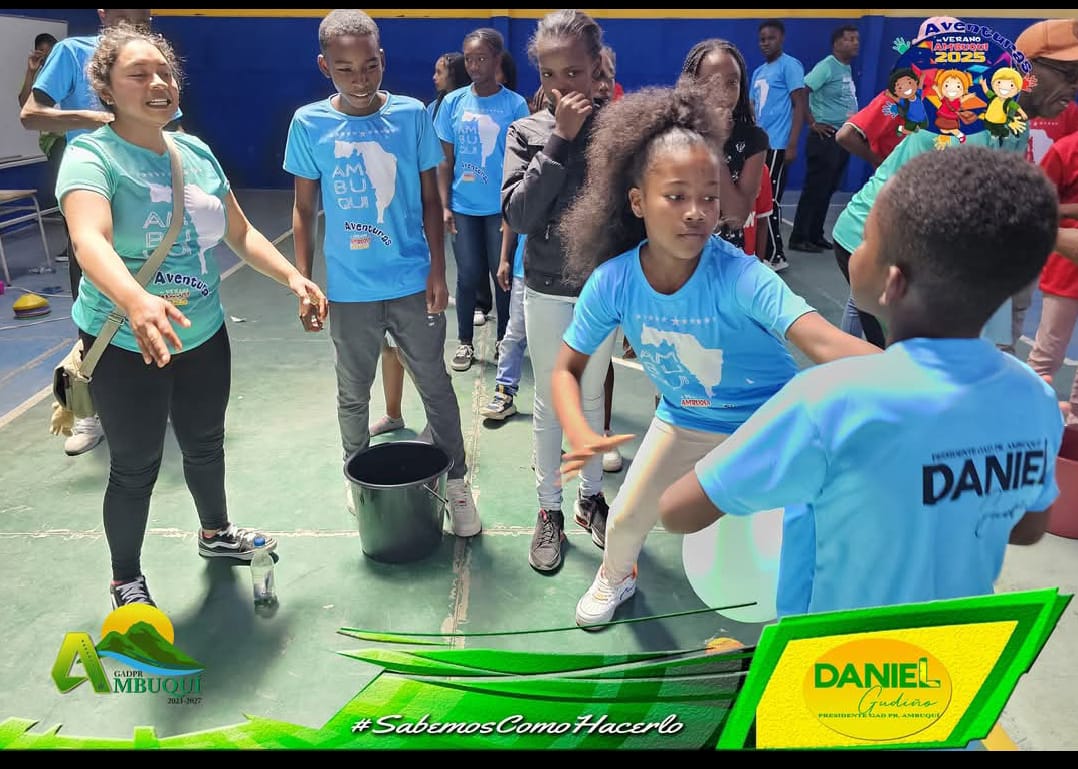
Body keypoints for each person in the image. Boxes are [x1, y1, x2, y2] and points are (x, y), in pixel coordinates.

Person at [660, 146, 1062, 618]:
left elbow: (679, 510)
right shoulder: (1035, 397)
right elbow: (1028, 527)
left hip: (837, 655)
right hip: (956, 651)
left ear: (893, 282)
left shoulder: (830, 400)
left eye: (866, 237)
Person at [551, 82, 880, 628]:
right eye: (676, 196)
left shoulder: (742, 275)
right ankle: (617, 575)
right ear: (638, 202)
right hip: (685, 419)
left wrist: (914, 375)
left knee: (810, 530)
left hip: (772, 424)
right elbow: (567, 367)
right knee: (626, 516)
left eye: (708, 197)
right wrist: (579, 432)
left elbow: (822, 341)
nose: (696, 212)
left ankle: (814, 606)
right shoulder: (613, 282)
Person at [57, 23, 327, 608]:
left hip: (201, 330)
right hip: (128, 341)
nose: (157, 83)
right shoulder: (91, 156)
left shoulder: (195, 154)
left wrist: (293, 277)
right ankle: (125, 578)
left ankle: (215, 533)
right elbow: (88, 239)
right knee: (135, 466)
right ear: (106, 88)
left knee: (205, 442)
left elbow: (240, 232)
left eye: (165, 73)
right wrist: (136, 301)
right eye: (138, 74)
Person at [284, 9, 480, 534]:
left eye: (370, 65)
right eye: (345, 69)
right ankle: (357, 477)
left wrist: (437, 271)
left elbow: (431, 200)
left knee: (435, 385)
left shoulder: (412, 115)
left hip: (411, 280)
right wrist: (304, 280)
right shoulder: (309, 123)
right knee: (353, 391)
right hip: (350, 290)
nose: (360, 79)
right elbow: (303, 208)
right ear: (325, 67)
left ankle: (457, 483)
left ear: (383, 59)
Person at [830, 17, 1078, 352]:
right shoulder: (972, 121)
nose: (1074, 86)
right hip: (876, 242)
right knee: (909, 357)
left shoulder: (1014, 123)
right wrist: (1052, 237)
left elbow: (1003, 203)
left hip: (921, 246)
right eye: (1068, 73)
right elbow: (971, 218)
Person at [21, 9, 178, 459]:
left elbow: (170, 127)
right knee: (95, 307)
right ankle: (88, 408)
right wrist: (93, 117)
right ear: (104, 12)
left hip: (150, 200)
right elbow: (31, 114)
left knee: (157, 298)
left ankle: (157, 394)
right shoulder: (73, 52)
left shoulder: (153, 59)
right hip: (98, 197)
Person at [502, 9, 616, 573]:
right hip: (547, 288)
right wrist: (560, 141)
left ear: (597, 69)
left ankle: (590, 498)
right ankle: (549, 509)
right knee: (551, 403)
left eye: (573, 72)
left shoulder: (619, 128)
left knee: (591, 398)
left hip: (603, 290)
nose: (560, 86)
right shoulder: (527, 133)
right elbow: (519, 215)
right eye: (549, 75)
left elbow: (632, 215)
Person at [436, 28, 529, 372]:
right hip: (463, 207)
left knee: (501, 276)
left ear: (496, 60)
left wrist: (512, 208)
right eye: (469, 59)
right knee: (468, 275)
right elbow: (444, 160)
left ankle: (505, 340)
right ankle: (464, 342)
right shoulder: (453, 103)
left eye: (482, 59)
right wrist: (445, 204)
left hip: (499, 209)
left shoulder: (515, 105)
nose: (474, 66)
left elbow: (521, 162)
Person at [789, 24, 860, 253]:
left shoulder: (845, 68)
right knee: (815, 188)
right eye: (850, 39)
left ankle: (815, 234)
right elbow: (802, 91)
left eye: (857, 39)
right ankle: (799, 237)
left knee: (828, 188)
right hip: (824, 137)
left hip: (840, 138)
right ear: (837, 43)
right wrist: (812, 122)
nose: (855, 43)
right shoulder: (827, 66)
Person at [1027, 129, 1078, 424]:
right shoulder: (1066, 150)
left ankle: (1075, 425)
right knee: (1048, 352)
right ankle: (1026, 415)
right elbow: (1036, 206)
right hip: (1065, 271)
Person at [750, 19, 808, 272]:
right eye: (762, 39)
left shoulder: (790, 66)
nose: (765, 43)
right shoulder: (758, 72)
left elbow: (799, 104)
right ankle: (765, 251)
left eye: (771, 38)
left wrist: (792, 143)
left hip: (778, 143)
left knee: (770, 199)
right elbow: (753, 107)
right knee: (760, 198)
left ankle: (775, 255)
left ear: (781, 39)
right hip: (761, 144)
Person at [17, 33, 64, 213]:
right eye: (42, 51)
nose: (46, 55)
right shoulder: (40, 77)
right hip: (54, 140)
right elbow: (24, 103)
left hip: (73, 135)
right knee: (63, 187)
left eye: (50, 51)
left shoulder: (67, 71)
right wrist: (31, 71)